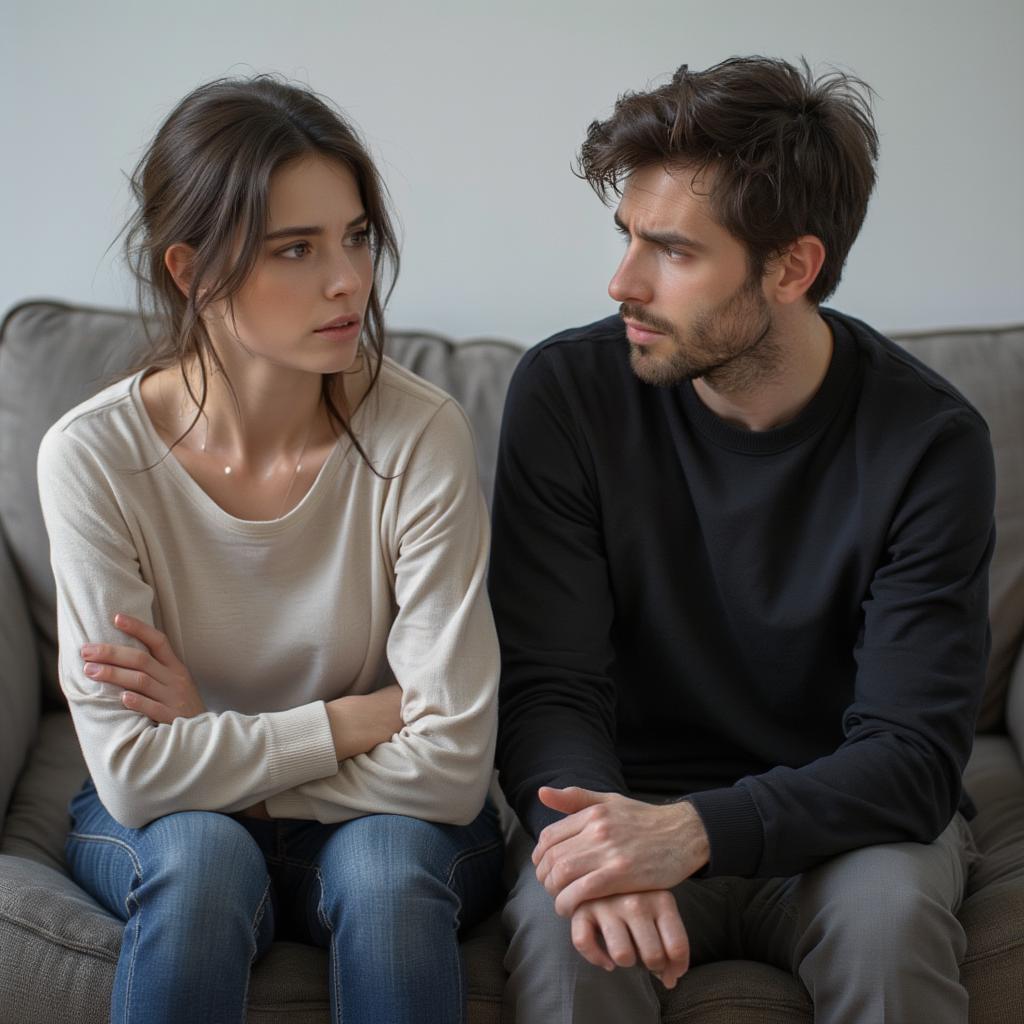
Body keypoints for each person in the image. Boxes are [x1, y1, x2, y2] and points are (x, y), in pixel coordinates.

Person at [491, 56, 994, 1023]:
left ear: (792, 267)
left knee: (889, 930)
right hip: (620, 795)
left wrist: (690, 833)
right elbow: (549, 687)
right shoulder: (567, 396)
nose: (622, 282)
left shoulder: (930, 444)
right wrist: (610, 836)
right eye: (627, 237)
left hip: (848, 824)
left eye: (673, 252)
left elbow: (910, 756)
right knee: (573, 935)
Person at [37, 75, 503, 1024]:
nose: (348, 280)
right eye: (297, 249)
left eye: (357, 236)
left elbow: (452, 762)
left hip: (394, 822)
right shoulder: (93, 456)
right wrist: (353, 719)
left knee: (381, 875)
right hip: (185, 827)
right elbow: (133, 776)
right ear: (190, 271)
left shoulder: (421, 435)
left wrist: (210, 742)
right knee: (202, 858)